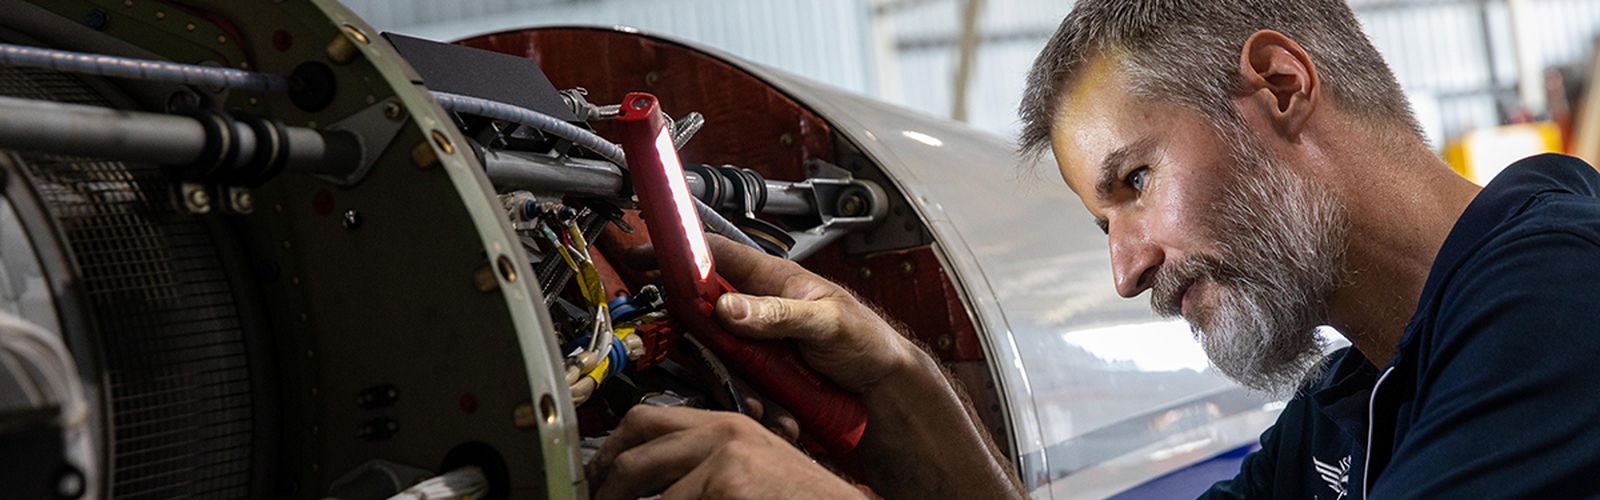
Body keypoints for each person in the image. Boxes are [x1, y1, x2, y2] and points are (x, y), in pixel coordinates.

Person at [585, 0, 1600, 498]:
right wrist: (903, 389)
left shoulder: (1560, 295)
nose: (1127, 269)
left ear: (1281, 87)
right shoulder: (1351, 403)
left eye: (1134, 182)